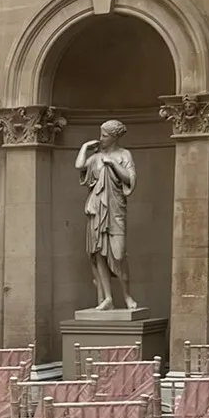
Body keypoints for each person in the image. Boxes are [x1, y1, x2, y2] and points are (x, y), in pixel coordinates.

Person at [76, 120, 138, 311]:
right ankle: (108, 298)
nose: (101, 139)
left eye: (105, 135)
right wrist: (85, 147)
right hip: (96, 209)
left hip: (115, 209)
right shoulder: (96, 157)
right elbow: (80, 166)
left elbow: (130, 179)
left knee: (119, 254)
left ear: (114, 137)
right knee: (98, 254)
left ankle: (127, 296)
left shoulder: (124, 155)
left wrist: (112, 164)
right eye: (101, 135)